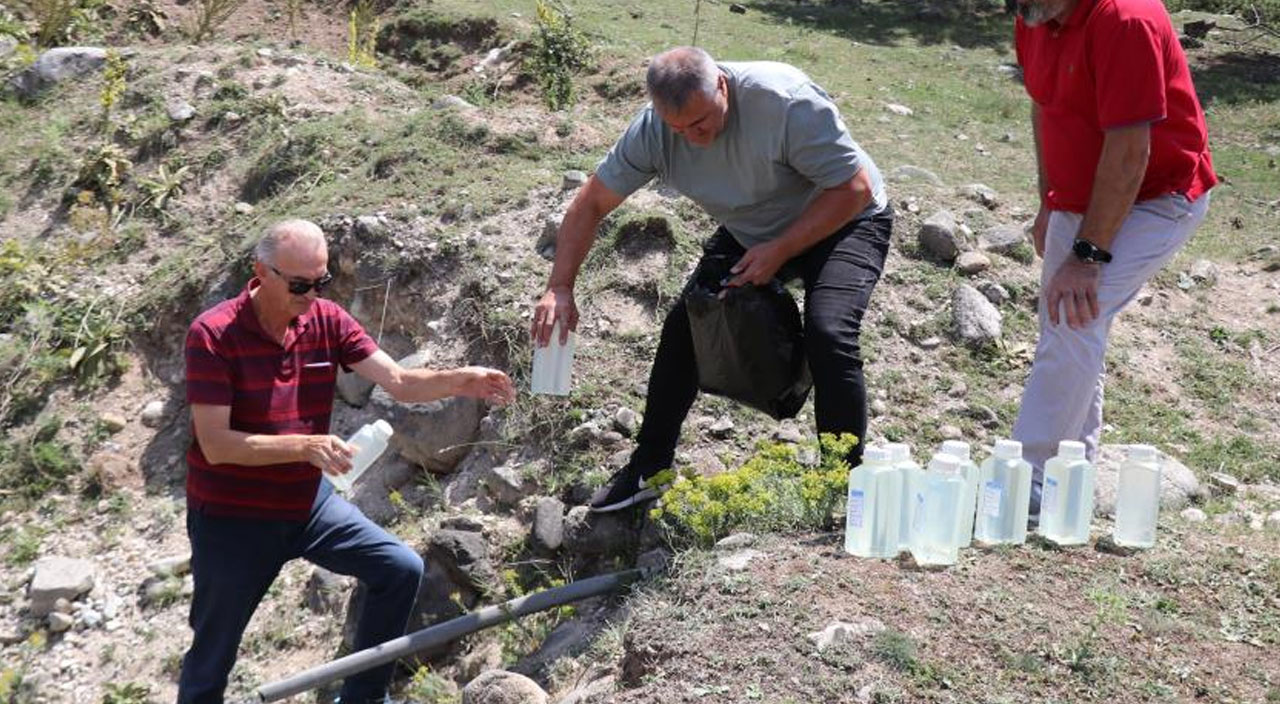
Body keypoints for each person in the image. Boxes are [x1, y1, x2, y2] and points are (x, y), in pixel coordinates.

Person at [531, 47, 892, 513]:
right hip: (753, 228)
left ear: (722, 85)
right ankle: (650, 467)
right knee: (687, 326)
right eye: (678, 129)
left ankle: (843, 486)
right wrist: (560, 286)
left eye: (700, 123)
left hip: (846, 218)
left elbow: (854, 188)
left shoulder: (784, 101)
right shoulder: (655, 131)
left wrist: (779, 250)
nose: (693, 139)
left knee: (829, 331)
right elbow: (590, 204)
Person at [179, 220, 515, 703]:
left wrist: (462, 380)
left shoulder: (326, 319)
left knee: (398, 569)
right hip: (234, 519)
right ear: (261, 272)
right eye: (299, 284)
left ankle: (364, 698)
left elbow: (398, 380)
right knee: (212, 657)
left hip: (305, 504)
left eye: (322, 281)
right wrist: (305, 446)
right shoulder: (212, 335)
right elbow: (217, 445)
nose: (311, 294)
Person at [1009, 0, 1216, 516]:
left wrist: (1088, 254)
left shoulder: (1127, 20)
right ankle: (1067, 491)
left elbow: (1130, 153)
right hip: (1080, 196)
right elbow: (1044, 106)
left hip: (1156, 197)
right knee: (1070, 326)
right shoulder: (1033, 13)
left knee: (1071, 316)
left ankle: (1026, 489)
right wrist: (1047, 198)